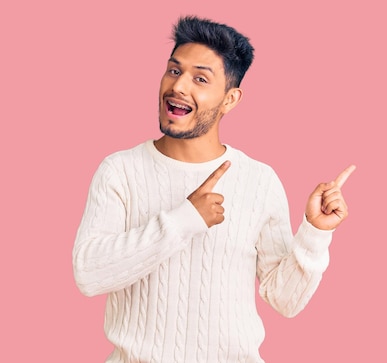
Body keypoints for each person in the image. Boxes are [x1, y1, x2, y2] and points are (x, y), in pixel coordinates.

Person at [72, 15, 355, 363]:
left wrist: (314, 234)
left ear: (230, 99)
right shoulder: (120, 171)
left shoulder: (258, 180)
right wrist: (184, 220)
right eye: (174, 71)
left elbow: (286, 301)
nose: (178, 86)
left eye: (200, 78)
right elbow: (89, 274)